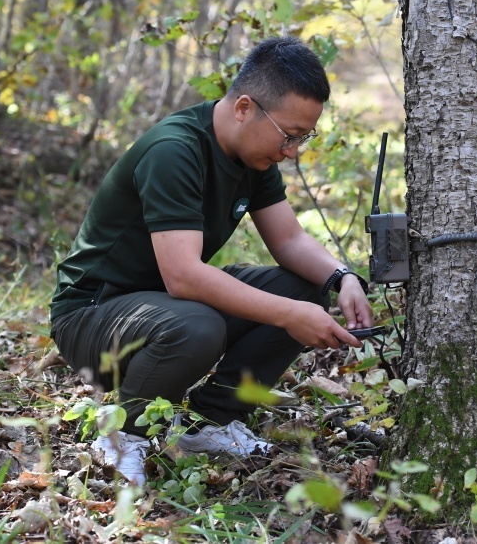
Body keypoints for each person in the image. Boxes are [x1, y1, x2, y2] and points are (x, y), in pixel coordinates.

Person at [49, 35, 374, 486]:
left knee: (304, 286)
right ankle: (123, 437)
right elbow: (183, 276)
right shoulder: (175, 150)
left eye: (303, 137)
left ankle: (209, 424)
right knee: (200, 324)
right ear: (244, 108)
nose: (293, 151)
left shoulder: (253, 156)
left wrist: (344, 278)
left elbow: (290, 239)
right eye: (289, 135)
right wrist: (290, 315)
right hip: (92, 319)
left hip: (161, 307)